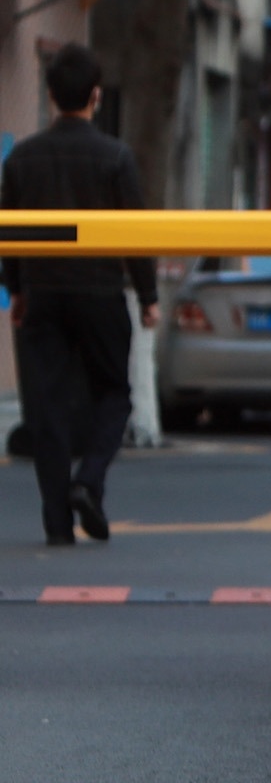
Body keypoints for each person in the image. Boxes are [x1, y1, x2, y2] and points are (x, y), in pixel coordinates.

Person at [6, 43, 158, 545]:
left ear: (50, 95)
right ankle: (88, 482)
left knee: (46, 408)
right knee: (115, 393)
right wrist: (148, 293)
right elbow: (134, 234)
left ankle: (57, 524)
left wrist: (16, 290)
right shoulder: (116, 157)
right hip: (99, 292)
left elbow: (9, 232)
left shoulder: (21, 158)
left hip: (42, 294)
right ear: (96, 95)